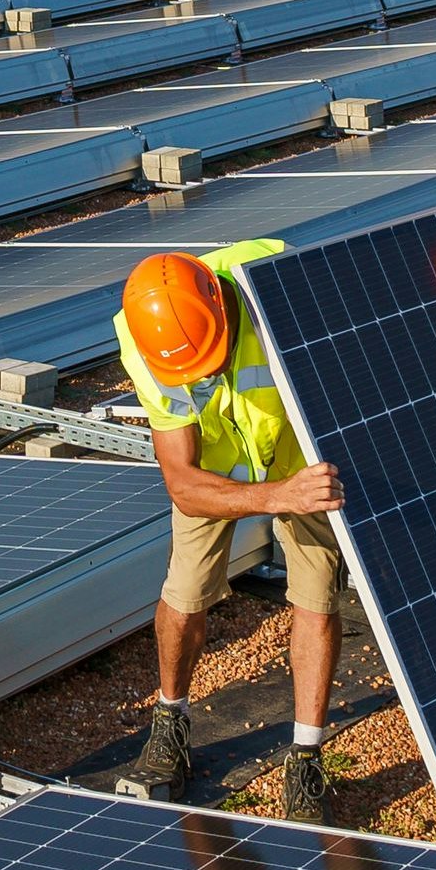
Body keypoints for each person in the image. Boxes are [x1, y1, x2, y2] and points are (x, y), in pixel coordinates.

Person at [115, 241, 346, 822]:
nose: (205, 374)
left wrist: (301, 485)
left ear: (221, 305)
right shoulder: (148, 346)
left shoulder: (281, 280)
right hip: (215, 470)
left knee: (317, 597)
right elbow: (182, 483)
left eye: (212, 360)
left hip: (300, 451)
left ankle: (306, 757)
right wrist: (274, 496)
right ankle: (170, 720)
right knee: (185, 591)